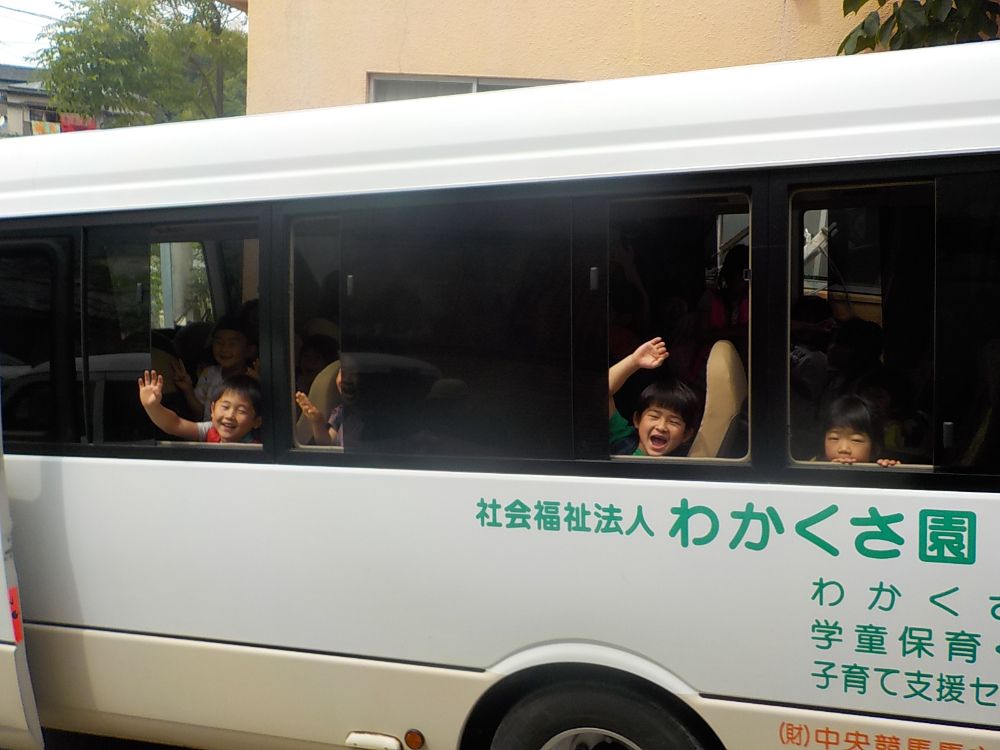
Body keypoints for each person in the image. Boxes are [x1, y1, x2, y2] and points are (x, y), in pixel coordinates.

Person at [609, 337, 700, 456]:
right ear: (637, 420)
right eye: (654, 416)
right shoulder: (623, 441)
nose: (661, 427)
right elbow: (600, 391)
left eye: (673, 422)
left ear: (686, 435)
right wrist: (633, 361)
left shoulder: (681, 464)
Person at [138, 370, 262, 444]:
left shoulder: (259, 449)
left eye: (241, 411)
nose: (230, 416)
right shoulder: (209, 430)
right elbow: (175, 424)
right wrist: (152, 407)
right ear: (212, 409)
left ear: (256, 421)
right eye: (225, 407)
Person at [173, 316, 257, 420]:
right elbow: (202, 415)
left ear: (249, 350)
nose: (224, 349)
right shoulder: (208, 374)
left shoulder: (253, 379)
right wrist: (188, 390)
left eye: (232, 344)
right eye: (219, 342)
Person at [294, 356, 357, 447]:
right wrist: (317, 421)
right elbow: (327, 443)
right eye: (343, 372)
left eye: (354, 374)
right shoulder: (340, 412)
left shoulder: (375, 414)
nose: (345, 380)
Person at [822, 394, 899, 467]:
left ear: (875, 449)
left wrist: (889, 471)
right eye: (834, 438)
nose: (843, 449)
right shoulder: (814, 470)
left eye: (856, 440)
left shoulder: (879, 472)